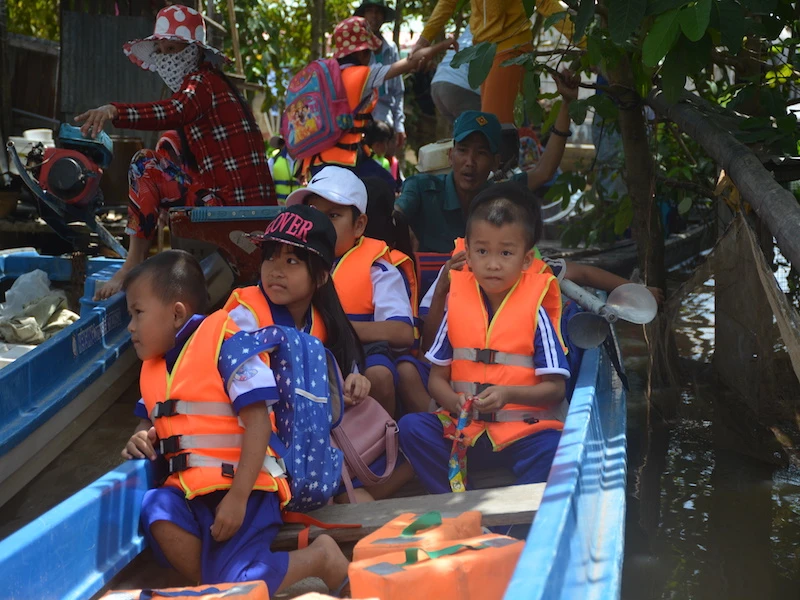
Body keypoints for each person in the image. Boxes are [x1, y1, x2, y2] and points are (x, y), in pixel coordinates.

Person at [119, 250, 349, 595]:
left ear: (176, 313)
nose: (131, 326)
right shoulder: (156, 368)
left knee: (236, 580)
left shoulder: (228, 345)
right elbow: (149, 423)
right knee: (155, 507)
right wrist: (139, 438)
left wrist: (238, 498)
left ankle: (321, 558)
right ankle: (222, 586)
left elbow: (259, 424)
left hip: (247, 490)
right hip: (191, 494)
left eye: (138, 313)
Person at [79, 5, 276, 300]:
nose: (167, 58)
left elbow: (175, 110)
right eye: (161, 51)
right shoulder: (212, 86)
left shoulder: (202, 83)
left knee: (145, 164)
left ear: (194, 50)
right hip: (231, 204)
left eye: (173, 49)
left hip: (235, 210)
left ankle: (132, 263)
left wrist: (114, 111)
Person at [223, 204, 412, 502]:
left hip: (308, 449)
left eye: (292, 261)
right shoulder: (246, 315)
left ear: (322, 276)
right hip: (252, 447)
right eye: (270, 257)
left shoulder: (324, 320)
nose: (276, 270)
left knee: (383, 481)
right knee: (354, 502)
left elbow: (343, 369)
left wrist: (354, 381)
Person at [398, 186, 570, 493]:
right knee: (412, 428)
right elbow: (437, 379)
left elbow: (556, 389)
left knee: (557, 449)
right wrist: (453, 401)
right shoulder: (457, 307)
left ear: (526, 259)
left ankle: (515, 512)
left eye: (506, 253)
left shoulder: (536, 313)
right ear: (468, 254)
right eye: (482, 252)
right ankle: (455, 499)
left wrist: (507, 394)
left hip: (523, 433)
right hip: (466, 430)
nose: (492, 264)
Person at [395, 76, 578, 254]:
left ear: (495, 162)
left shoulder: (500, 194)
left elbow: (544, 171)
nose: (470, 162)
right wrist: (402, 229)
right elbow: (395, 215)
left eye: (481, 153)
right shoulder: (421, 188)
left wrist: (567, 104)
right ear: (451, 155)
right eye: (463, 150)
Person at [288, 166, 414, 418]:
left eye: (333, 215)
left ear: (359, 225)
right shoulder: (289, 261)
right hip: (306, 348)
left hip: (363, 353)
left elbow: (402, 332)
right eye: (313, 213)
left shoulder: (378, 270)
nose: (320, 224)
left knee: (379, 375)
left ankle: (381, 437)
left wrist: (337, 328)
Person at [295, 15, 455, 188]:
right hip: (343, 162)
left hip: (316, 161)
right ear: (362, 52)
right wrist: (442, 46)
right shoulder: (364, 76)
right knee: (388, 187)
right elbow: (411, 62)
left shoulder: (322, 77)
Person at [410, 0, 579, 124]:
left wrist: (583, 42)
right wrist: (423, 40)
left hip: (510, 49)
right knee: (486, 134)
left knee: (493, 133)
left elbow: (546, 3)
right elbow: (448, 2)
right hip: (483, 53)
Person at [354, 0, 406, 151]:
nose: (374, 16)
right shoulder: (356, 49)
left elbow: (397, 91)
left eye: (378, 12)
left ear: (383, 17)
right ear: (363, 15)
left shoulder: (391, 49)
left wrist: (399, 124)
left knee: (384, 162)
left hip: (384, 122)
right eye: (370, 11)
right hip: (358, 120)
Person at [430, 26, 481, 128]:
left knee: (463, 133)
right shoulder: (493, 26)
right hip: (460, 86)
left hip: (438, 83)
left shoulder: (473, 24)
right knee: (482, 131)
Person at [267, 136, 300, 206]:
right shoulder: (272, 161)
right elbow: (268, 186)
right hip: (281, 207)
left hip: (303, 206)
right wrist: (274, 201)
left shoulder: (308, 159)